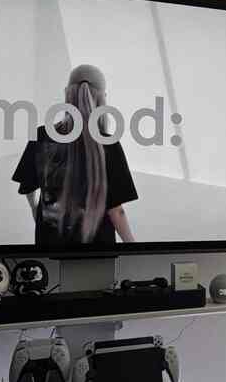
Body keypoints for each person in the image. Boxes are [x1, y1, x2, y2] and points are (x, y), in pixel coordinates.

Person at [12, 64, 137, 247]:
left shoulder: (41, 136)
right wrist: (132, 247)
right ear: (102, 98)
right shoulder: (108, 144)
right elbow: (116, 211)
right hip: (98, 250)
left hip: (50, 246)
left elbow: (28, 186)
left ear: (67, 94)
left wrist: (35, 209)